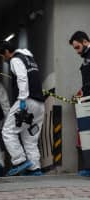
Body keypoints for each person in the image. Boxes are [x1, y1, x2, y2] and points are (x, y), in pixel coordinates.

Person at [0, 41, 45, 176]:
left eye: (2, 56)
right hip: (40, 104)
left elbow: (22, 78)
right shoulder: (30, 59)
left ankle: (19, 161)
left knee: (7, 131)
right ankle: (35, 168)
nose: (3, 59)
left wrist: (22, 100)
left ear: (6, 52)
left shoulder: (15, 59)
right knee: (30, 137)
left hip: (26, 101)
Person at [69, 31, 90, 177]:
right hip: (87, 100)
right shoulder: (86, 58)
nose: (77, 52)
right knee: (87, 136)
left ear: (84, 41)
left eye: (77, 47)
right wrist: (82, 92)